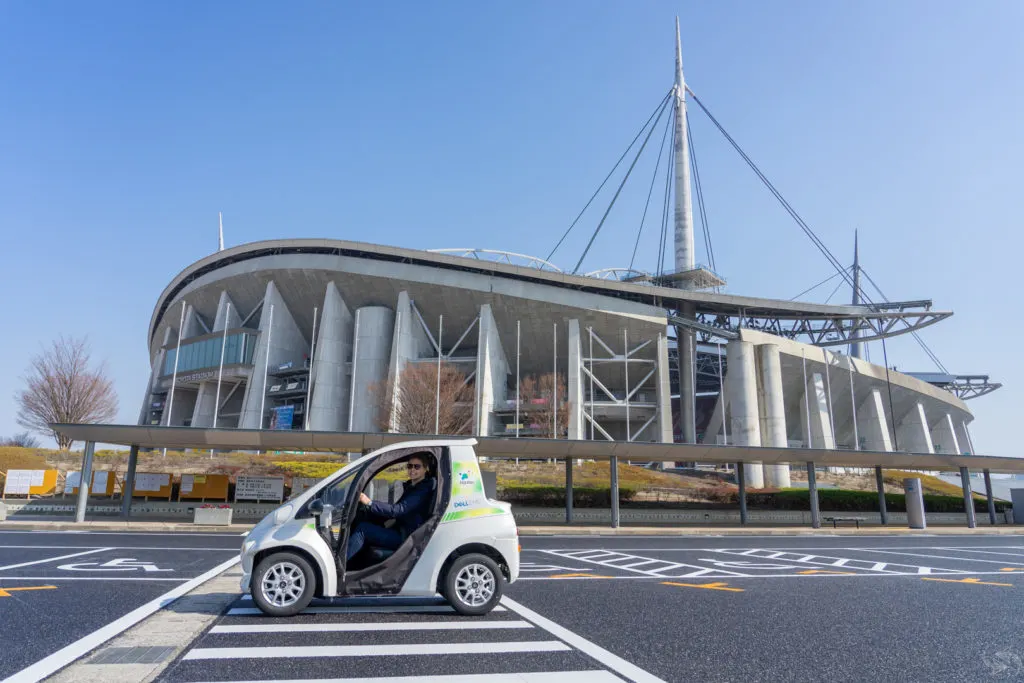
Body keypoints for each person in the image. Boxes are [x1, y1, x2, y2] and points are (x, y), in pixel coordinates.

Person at [345, 453, 436, 563]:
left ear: (425, 469)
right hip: (401, 530)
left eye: (417, 466)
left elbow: (398, 510)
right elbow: (396, 510)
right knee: (365, 521)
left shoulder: (422, 489)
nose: (412, 469)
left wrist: (370, 503)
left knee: (363, 530)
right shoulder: (412, 487)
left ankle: (338, 568)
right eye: (409, 466)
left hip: (407, 537)